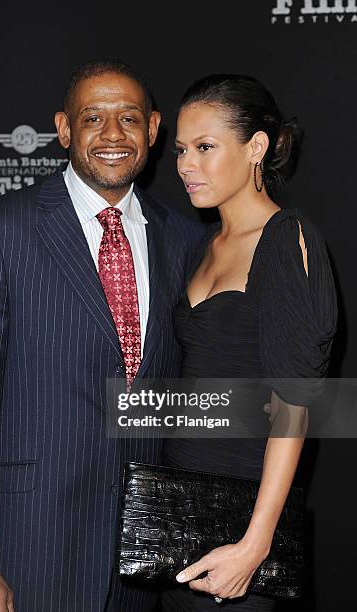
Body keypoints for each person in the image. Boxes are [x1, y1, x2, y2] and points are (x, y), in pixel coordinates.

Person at [0, 60, 205, 612]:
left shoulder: (182, 238)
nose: (112, 135)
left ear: (153, 130)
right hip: (29, 548)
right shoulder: (0, 229)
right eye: (92, 118)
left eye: (128, 119)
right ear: (63, 129)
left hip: (140, 561)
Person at [161, 74, 337, 610]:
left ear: (256, 147)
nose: (186, 164)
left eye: (205, 147)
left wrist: (256, 543)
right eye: (181, 150)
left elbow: (294, 406)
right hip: (174, 514)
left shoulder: (289, 239)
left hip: (244, 525)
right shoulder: (200, 245)